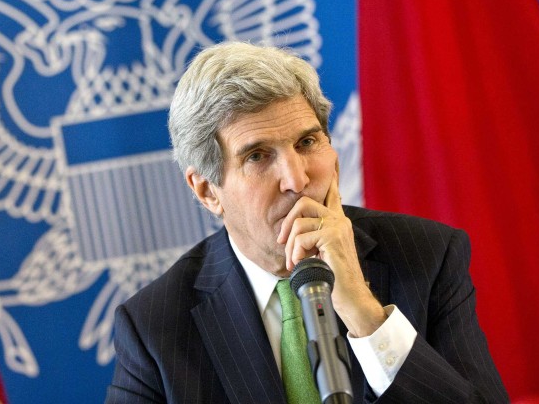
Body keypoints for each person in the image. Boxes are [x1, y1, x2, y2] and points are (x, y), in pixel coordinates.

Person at [106, 42, 507, 403]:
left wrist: (366, 316)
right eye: (258, 156)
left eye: (307, 143)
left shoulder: (427, 257)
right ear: (208, 191)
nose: (296, 179)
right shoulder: (154, 328)